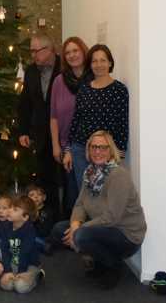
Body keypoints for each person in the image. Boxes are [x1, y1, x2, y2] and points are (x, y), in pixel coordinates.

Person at [51, 130, 146, 289]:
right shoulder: (90, 172)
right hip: (103, 228)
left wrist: (79, 230)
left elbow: (112, 217)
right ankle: (100, 259)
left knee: (81, 236)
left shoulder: (118, 175)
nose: (97, 151)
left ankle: (114, 265)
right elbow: (80, 204)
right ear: (88, 150)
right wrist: (75, 224)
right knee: (59, 229)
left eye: (103, 147)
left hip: (125, 234)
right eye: (93, 147)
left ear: (111, 150)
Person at [18, 32, 62, 216]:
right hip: (40, 135)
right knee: (45, 180)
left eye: (37, 51)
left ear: (50, 50)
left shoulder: (64, 68)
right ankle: (47, 218)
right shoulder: (31, 71)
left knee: (64, 180)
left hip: (63, 133)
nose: (34, 55)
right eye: (31, 51)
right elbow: (25, 103)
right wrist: (23, 131)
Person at [67, 44, 129, 165]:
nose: (99, 65)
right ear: (90, 65)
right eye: (94, 61)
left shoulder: (119, 90)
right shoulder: (84, 89)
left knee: (105, 185)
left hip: (106, 153)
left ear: (110, 63)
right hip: (81, 150)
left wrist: (119, 155)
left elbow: (122, 124)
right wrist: (68, 150)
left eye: (103, 60)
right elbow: (76, 120)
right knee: (84, 184)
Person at [51, 36, 90, 210]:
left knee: (87, 194)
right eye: (67, 52)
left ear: (83, 51)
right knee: (71, 195)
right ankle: (71, 232)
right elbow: (53, 116)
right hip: (66, 146)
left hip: (87, 145)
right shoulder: (59, 81)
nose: (72, 55)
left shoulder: (92, 79)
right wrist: (56, 146)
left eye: (75, 50)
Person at [0, 196, 43, 294]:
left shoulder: (29, 230)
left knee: (20, 287)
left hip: (29, 265)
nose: (9, 211)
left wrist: (21, 273)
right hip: (13, 262)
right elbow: (4, 250)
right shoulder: (6, 227)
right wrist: (8, 271)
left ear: (25, 217)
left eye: (15, 209)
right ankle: (14, 276)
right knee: (6, 285)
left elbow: (24, 253)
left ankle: (37, 275)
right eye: (10, 207)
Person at [27, 184, 54, 254]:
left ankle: (44, 246)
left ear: (44, 197)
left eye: (39, 194)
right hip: (31, 236)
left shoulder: (47, 211)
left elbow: (47, 229)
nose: (36, 197)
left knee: (33, 239)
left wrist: (36, 218)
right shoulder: (27, 211)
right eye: (32, 195)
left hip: (44, 237)